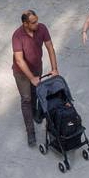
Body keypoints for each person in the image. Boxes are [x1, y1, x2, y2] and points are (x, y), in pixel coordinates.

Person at [12, 10, 58, 148]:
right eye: (33, 22)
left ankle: (34, 114)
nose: (37, 24)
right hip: (21, 73)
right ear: (25, 23)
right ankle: (30, 132)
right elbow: (19, 60)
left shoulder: (42, 28)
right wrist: (31, 77)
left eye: (37, 20)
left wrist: (55, 68)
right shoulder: (17, 36)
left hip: (37, 67)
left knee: (35, 93)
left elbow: (50, 47)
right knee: (26, 99)